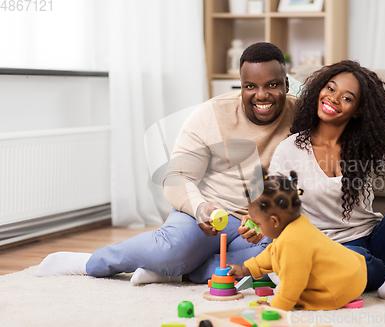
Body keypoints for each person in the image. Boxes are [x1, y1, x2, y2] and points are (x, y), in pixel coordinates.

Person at [36, 42, 297, 285]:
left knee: (280, 255)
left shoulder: (302, 117)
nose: (262, 95)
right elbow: (177, 177)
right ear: (240, 86)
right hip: (211, 214)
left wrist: (268, 221)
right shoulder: (212, 115)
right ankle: (91, 262)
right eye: (250, 86)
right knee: (172, 248)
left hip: (260, 226)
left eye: (272, 85)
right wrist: (200, 208)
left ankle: (175, 268)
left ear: (286, 83)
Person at [268, 60, 385, 308]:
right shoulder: (290, 149)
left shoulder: (363, 144)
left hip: (371, 239)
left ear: (357, 110)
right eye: (330, 88)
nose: (334, 98)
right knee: (344, 264)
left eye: (347, 98)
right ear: (318, 91)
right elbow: (274, 206)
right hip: (329, 252)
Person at [228, 167, 366, 311]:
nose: (258, 228)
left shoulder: (291, 243)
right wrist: (246, 269)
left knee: (298, 294)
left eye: (259, 223)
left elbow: (292, 283)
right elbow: (272, 253)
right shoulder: (297, 224)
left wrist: (276, 306)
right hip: (354, 268)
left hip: (342, 285)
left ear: (274, 221)